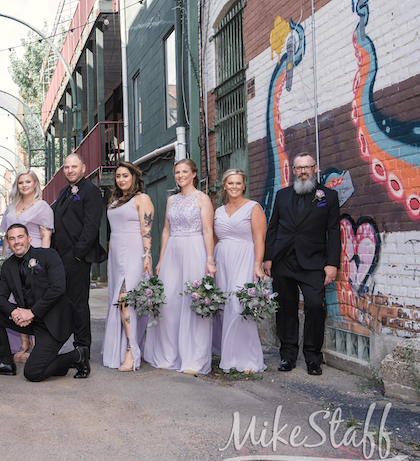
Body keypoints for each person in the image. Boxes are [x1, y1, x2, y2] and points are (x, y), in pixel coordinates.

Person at [0, 224, 89, 381]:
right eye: (12, 239)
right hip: (31, 322)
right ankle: (4, 362)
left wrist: (31, 312)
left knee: (33, 373)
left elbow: (58, 288)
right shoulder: (8, 265)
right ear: (8, 242)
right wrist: (14, 312)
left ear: (29, 238)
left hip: (54, 323)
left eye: (20, 237)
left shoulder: (49, 255)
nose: (16, 242)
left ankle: (77, 355)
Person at [264, 153, 340, 376]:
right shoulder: (282, 195)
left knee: (315, 306)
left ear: (315, 168)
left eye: (307, 167)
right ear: (293, 171)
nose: (303, 171)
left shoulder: (329, 196)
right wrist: (268, 258)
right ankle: (287, 356)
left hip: (314, 261)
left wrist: (332, 263)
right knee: (286, 309)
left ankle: (313, 357)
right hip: (283, 260)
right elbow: (273, 228)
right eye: (299, 168)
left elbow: (334, 233)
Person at [145, 159, 216, 374]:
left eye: (185, 171)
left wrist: (210, 259)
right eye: (177, 172)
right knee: (168, 302)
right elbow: (166, 230)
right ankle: (170, 354)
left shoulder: (202, 199)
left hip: (195, 249)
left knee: (193, 301)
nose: (180, 175)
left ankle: (195, 359)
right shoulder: (171, 200)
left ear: (194, 174)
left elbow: (207, 231)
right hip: (173, 252)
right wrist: (161, 259)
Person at [51, 153, 107, 377]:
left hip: (76, 258)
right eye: (66, 167)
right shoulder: (65, 192)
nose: (70, 170)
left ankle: (83, 352)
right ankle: (70, 349)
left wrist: (77, 255)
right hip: (60, 257)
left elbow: (91, 226)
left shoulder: (91, 191)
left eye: (74, 166)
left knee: (78, 305)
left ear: (84, 168)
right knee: (65, 304)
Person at [0, 169, 54, 362]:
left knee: (34, 299)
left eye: (28, 182)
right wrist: (5, 258)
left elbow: (46, 236)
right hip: (14, 257)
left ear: (35, 184)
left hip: (34, 256)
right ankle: (24, 343)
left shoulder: (43, 206)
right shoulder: (11, 207)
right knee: (16, 298)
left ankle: (38, 343)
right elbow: (6, 236)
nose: (24, 185)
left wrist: (42, 261)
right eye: (21, 182)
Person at [215, 169, 267, 373]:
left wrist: (257, 264)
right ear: (225, 186)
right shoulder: (219, 211)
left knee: (240, 308)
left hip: (245, 259)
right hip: (222, 261)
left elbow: (259, 239)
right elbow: (215, 238)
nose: (234, 187)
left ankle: (249, 360)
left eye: (238, 183)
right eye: (230, 183)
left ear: (244, 185)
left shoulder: (253, 208)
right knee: (226, 307)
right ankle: (229, 357)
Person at [103, 162, 154, 372]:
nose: (121, 179)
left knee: (125, 299)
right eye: (118, 176)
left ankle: (131, 352)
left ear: (134, 177)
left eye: (125, 175)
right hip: (116, 253)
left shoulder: (142, 198)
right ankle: (122, 348)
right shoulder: (114, 200)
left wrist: (147, 255)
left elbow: (147, 229)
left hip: (134, 252)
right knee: (119, 300)